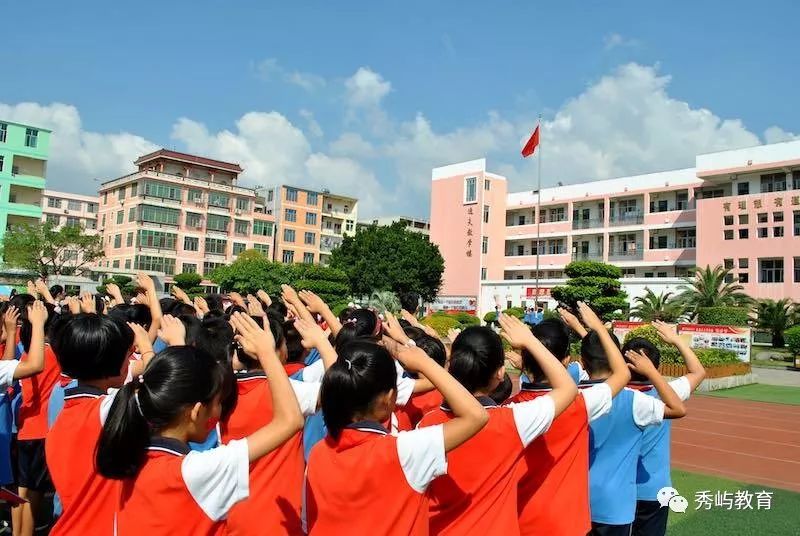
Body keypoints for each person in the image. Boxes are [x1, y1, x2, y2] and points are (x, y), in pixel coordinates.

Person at [96, 313, 304, 535]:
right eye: (217, 402)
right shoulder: (197, 472)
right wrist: (267, 354)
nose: (219, 410)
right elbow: (291, 420)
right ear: (196, 411)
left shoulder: (128, 458)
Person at [304, 337, 489, 535]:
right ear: (388, 398)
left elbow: (309, 524)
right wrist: (424, 363)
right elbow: (476, 415)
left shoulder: (318, 453)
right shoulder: (403, 452)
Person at [417, 315, 578, 536]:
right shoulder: (512, 421)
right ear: (500, 373)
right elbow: (568, 388)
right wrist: (530, 341)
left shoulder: (426, 424)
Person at [508, 302, 630, 536]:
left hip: (519, 520)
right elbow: (622, 373)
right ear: (566, 360)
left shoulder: (505, 410)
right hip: (568, 524)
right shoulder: (579, 404)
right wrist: (597, 328)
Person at [220, 315, 333, 536]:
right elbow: (341, 390)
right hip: (277, 518)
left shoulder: (221, 393)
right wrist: (322, 342)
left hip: (232, 515)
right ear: (275, 349)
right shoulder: (291, 394)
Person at [45, 313, 147, 535]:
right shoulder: (105, 410)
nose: (130, 361)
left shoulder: (67, 409)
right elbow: (170, 386)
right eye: (128, 355)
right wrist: (148, 348)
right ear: (111, 361)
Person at [583, 326, 687, 536]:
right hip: (623, 502)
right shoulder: (638, 400)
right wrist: (675, 343)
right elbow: (680, 406)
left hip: (582, 498)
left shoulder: (573, 396)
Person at [627, 321, 705, 536]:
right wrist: (677, 340)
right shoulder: (669, 394)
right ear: (655, 367)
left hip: (616, 489)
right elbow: (697, 371)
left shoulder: (611, 396)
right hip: (655, 490)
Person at [14, 301, 59, 536]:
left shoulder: (25, 358)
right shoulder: (52, 356)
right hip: (43, 432)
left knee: (21, 492)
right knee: (34, 494)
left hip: (24, 429)